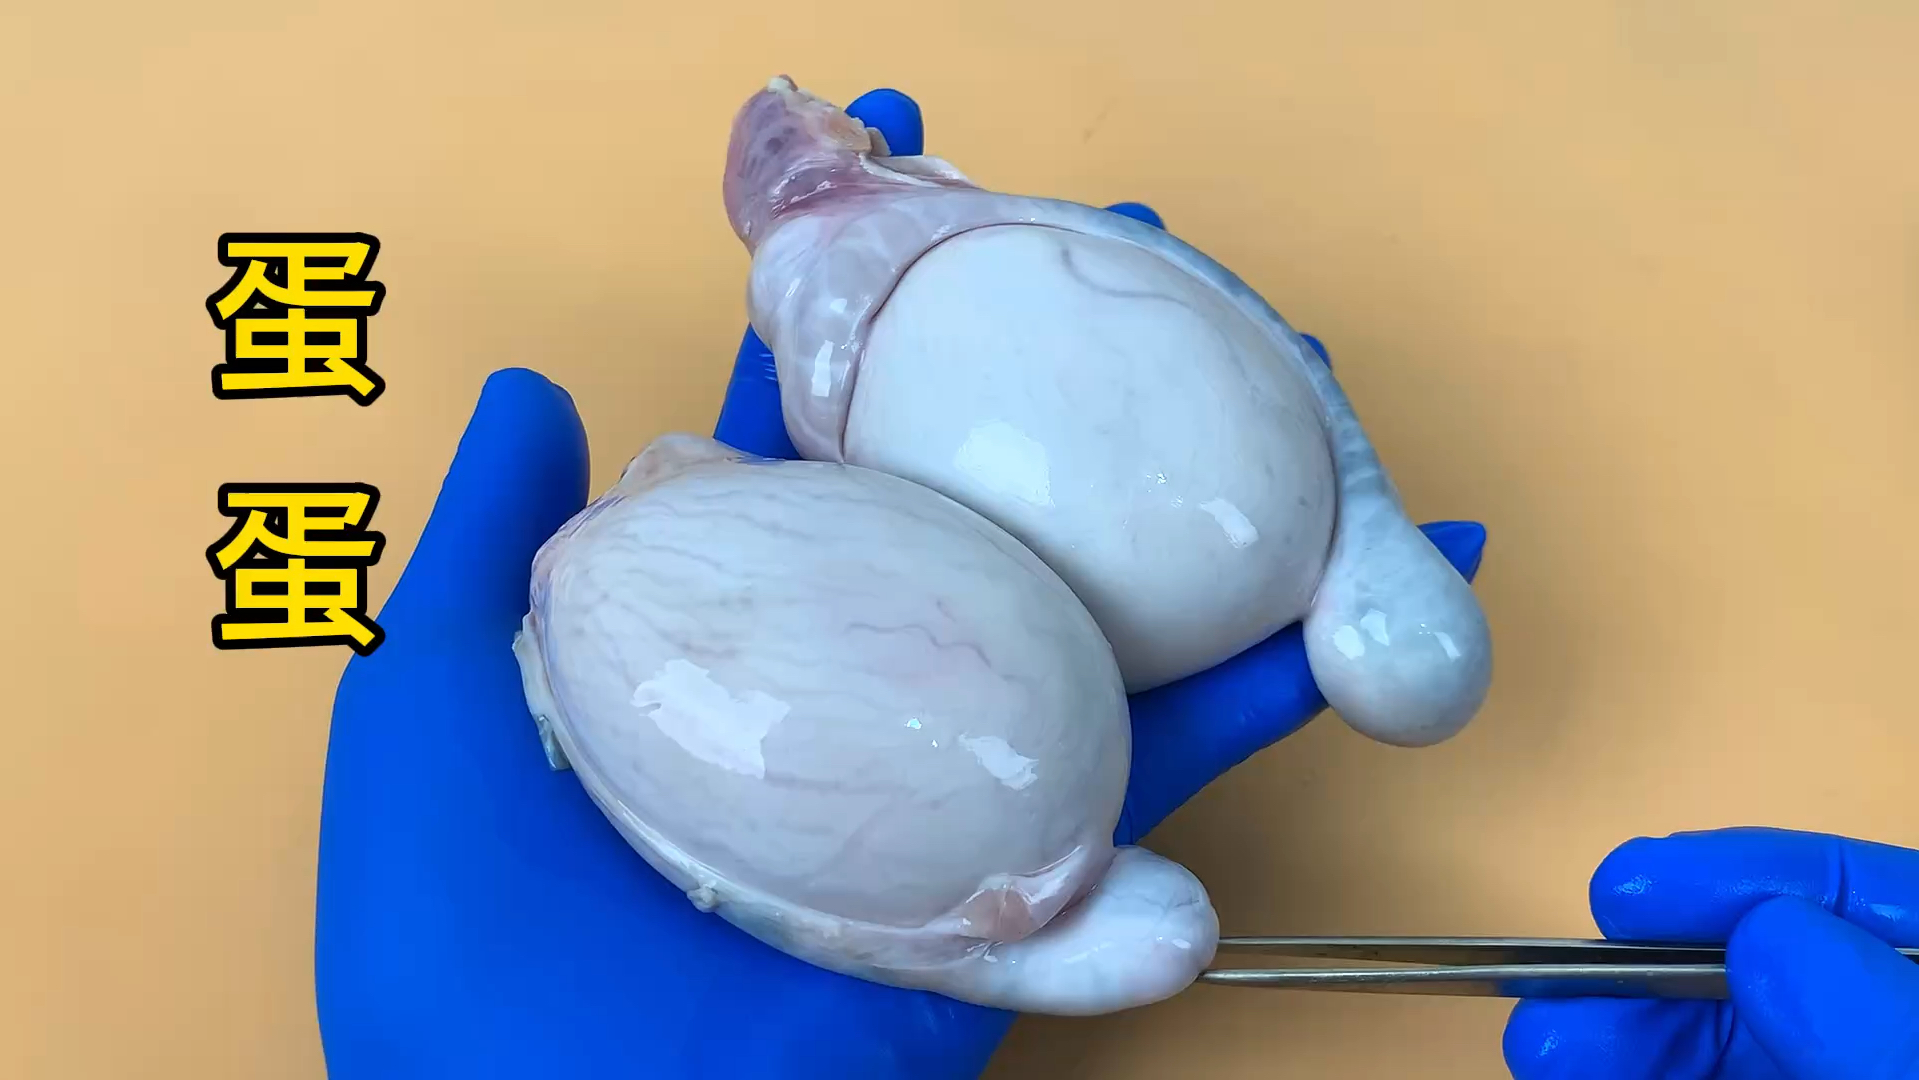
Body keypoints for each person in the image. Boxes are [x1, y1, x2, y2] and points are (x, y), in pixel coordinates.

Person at [310, 89, 1919, 1080]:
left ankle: (1317, 583)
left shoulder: (870, 313)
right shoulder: (885, 306)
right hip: (993, 643)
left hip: (1025, 633)